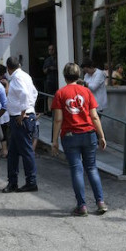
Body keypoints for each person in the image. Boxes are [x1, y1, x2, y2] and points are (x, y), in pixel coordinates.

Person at [51, 63, 108, 217]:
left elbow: (58, 120)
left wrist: (54, 140)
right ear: (79, 76)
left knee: (77, 169)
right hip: (89, 134)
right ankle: (100, 202)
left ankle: (82, 206)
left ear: (64, 76)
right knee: (92, 168)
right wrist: (101, 135)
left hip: (70, 135)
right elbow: (94, 116)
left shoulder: (60, 93)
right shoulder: (87, 92)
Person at [2, 56, 39, 193]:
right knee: (13, 152)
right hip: (20, 117)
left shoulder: (17, 78)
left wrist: (24, 111)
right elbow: (34, 93)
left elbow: (24, 94)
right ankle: (13, 181)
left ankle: (31, 181)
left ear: (8, 68)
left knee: (26, 151)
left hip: (20, 118)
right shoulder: (25, 76)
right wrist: (30, 107)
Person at [0, 64, 10, 157]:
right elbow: (6, 94)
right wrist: (7, 85)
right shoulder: (3, 82)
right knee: (3, 130)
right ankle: (4, 150)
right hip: (2, 109)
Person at [42, 44, 58, 110]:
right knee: (49, 96)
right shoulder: (47, 60)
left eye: (52, 49)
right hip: (50, 80)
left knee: (57, 95)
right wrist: (49, 69)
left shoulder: (58, 58)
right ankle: (50, 111)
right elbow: (44, 71)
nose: (51, 51)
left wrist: (55, 68)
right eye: (49, 50)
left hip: (57, 79)